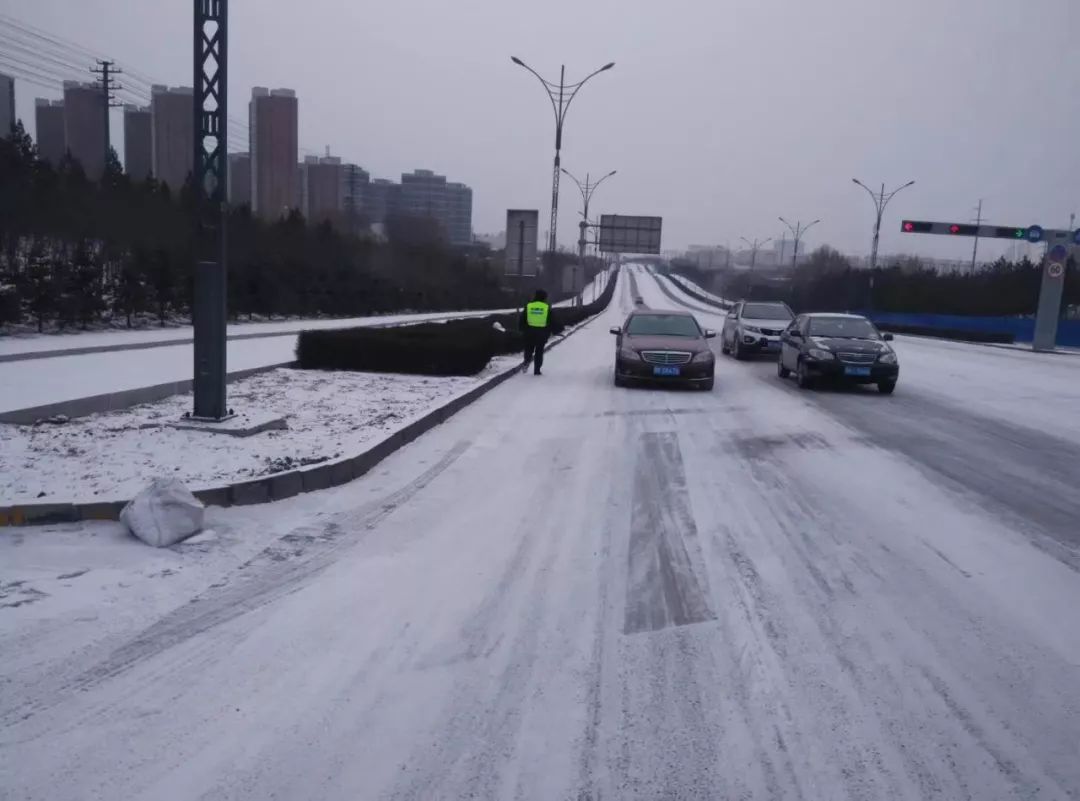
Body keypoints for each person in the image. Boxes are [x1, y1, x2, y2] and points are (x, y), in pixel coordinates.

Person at [519, 289, 553, 375]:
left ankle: (526, 361)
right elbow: (551, 320)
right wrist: (553, 330)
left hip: (529, 332)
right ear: (544, 297)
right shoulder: (547, 307)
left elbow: (522, 319)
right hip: (542, 334)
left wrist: (521, 329)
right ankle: (537, 370)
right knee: (539, 352)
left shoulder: (529, 306)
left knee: (528, 349)